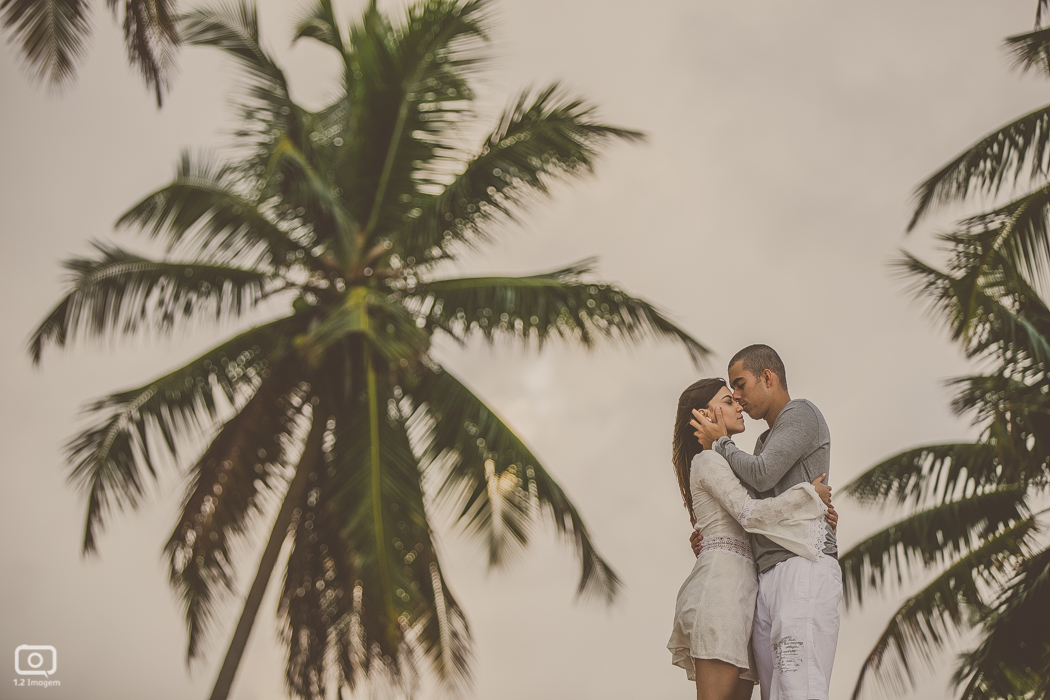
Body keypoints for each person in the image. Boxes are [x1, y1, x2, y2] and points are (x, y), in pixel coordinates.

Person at [668, 378, 838, 700]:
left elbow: (760, 519)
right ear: (706, 414)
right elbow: (750, 513)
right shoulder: (707, 461)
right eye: (728, 401)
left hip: (747, 597)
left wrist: (821, 520)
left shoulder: (731, 463)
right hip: (722, 594)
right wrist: (808, 496)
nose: (739, 404)